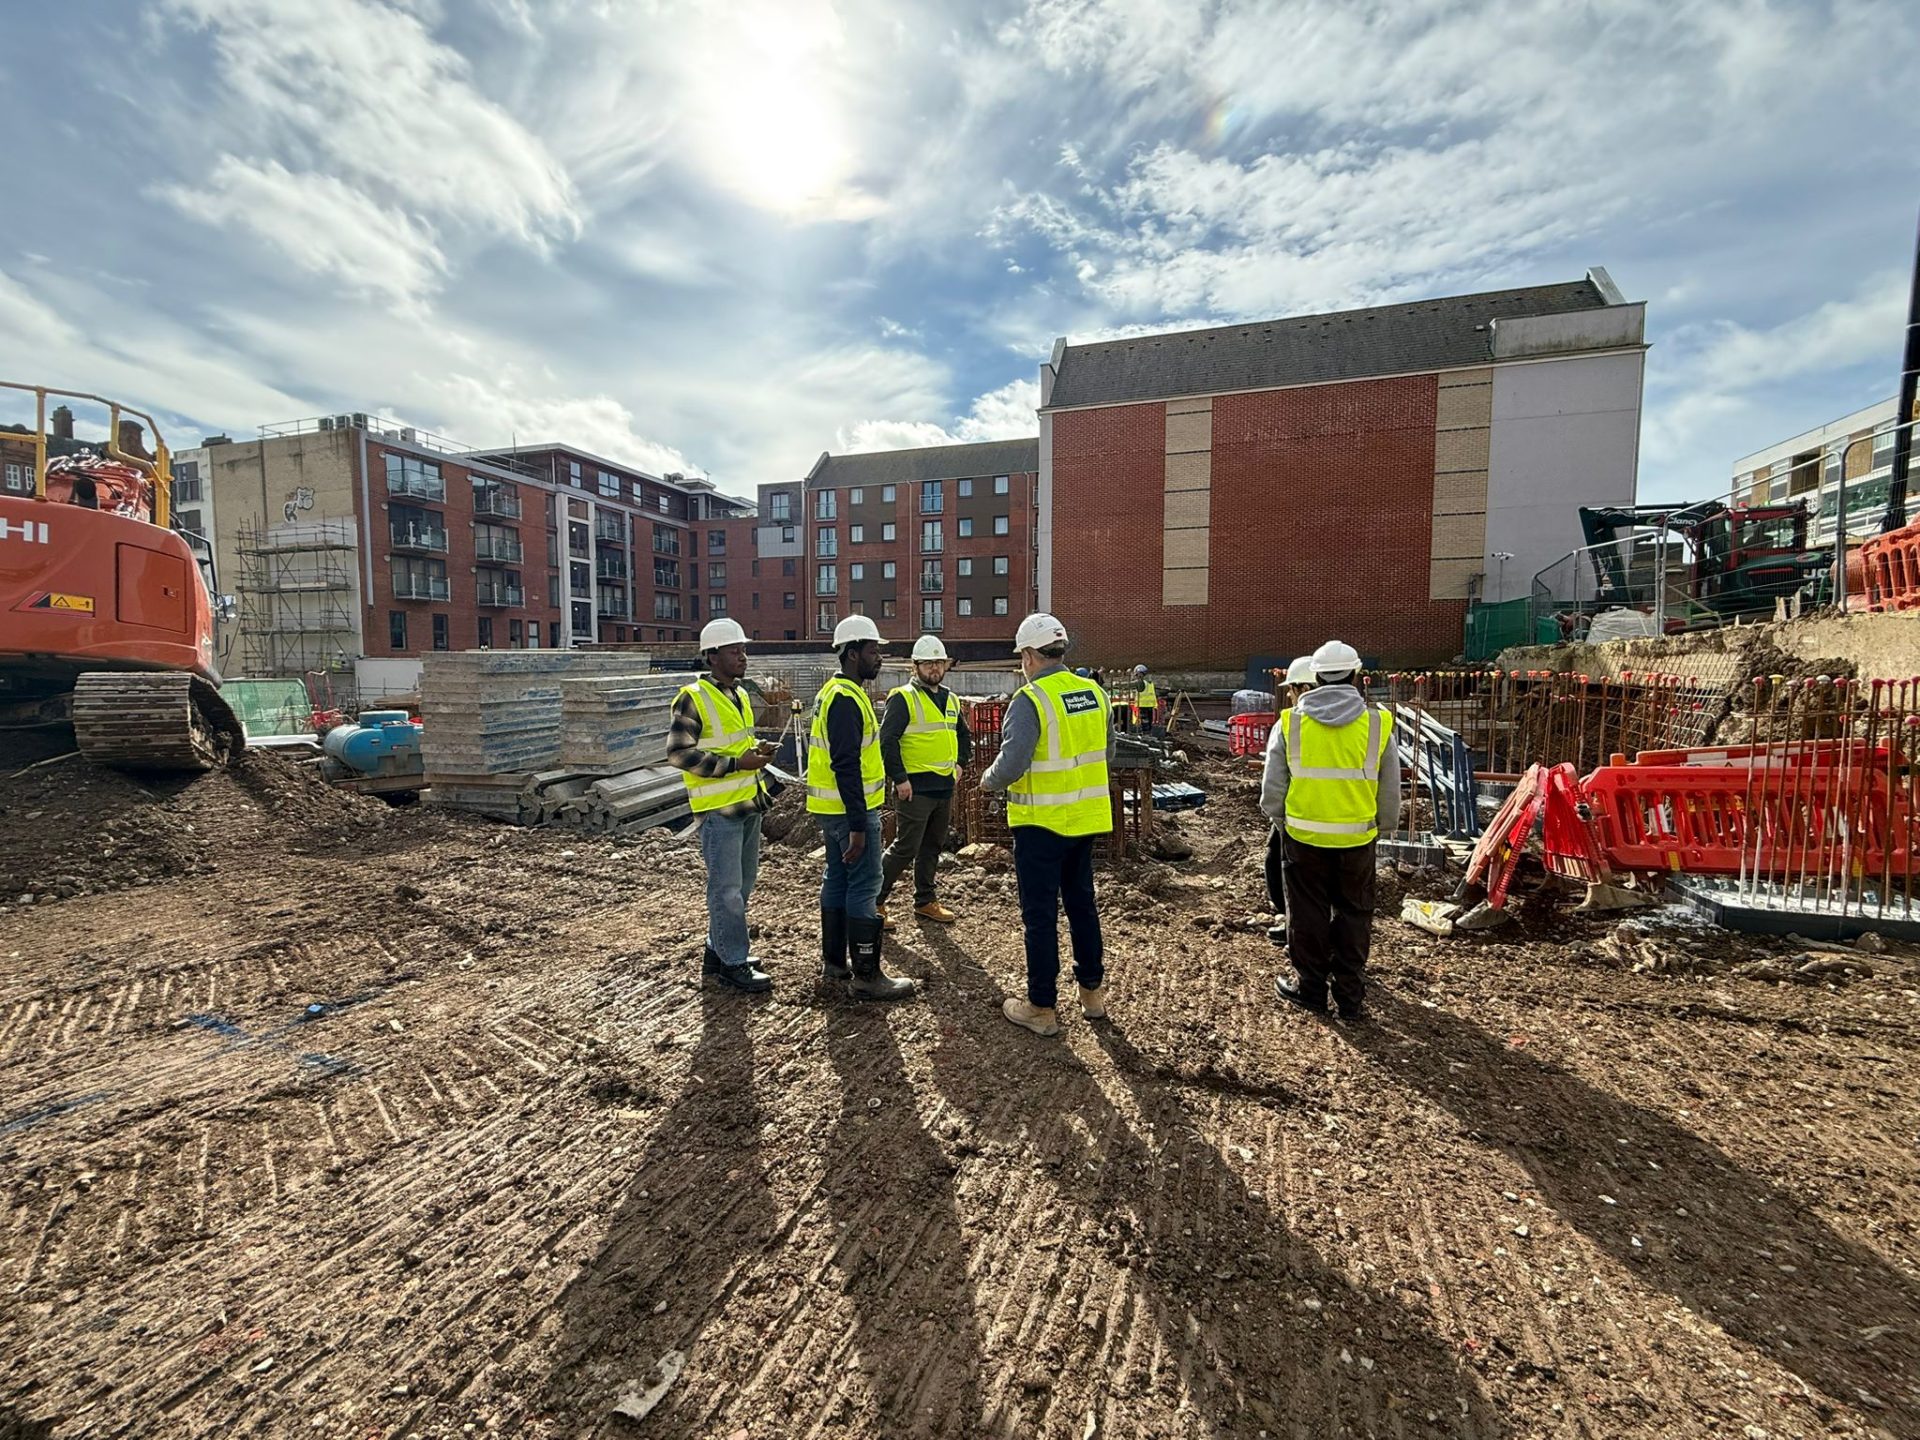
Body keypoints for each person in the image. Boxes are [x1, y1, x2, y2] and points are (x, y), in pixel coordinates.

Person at [981, 613, 1113, 1036]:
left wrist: (987, 781)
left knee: (1039, 916)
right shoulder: (1093, 693)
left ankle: (1041, 1006)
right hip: (1084, 818)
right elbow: (1106, 751)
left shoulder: (1031, 699)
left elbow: (1013, 762)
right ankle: (1091, 995)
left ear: (1028, 655)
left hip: (1041, 823)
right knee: (1081, 905)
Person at [1260, 639, 1399, 1022]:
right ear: (1357, 677)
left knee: (1307, 913)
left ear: (1316, 677)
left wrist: (1283, 824)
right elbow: (1390, 789)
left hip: (1303, 839)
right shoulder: (1377, 723)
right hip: (1357, 839)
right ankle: (1350, 998)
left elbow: (1272, 790)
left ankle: (1311, 989)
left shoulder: (1290, 723)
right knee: (1355, 913)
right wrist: (1382, 827)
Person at [807, 615, 915, 1001]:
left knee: (837, 879)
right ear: (852, 654)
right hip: (850, 812)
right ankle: (868, 976)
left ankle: (835, 963)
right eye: (873, 651)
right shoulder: (845, 699)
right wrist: (857, 823)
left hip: (832, 808)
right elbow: (846, 764)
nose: (879, 658)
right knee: (865, 885)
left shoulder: (834, 693)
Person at [669, 618, 776, 993]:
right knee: (726, 890)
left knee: (743, 885)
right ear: (712, 656)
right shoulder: (693, 697)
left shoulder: (741, 694)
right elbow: (679, 754)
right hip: (718, 812)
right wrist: (736, 764)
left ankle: (718, 951)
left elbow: (732, 744)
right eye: (734, 651)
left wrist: (755, 754)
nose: (742, 656)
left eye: (743, 649)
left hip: (746, 805)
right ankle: (732, 963)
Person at [877, 634, 973, 928]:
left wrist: (960, 764)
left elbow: (963, 735)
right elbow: (888, 741)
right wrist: (900, 778)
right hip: (914, 789)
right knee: (905, 847)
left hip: (943, 787)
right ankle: (873, 901)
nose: (934, 667)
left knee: (932, 846)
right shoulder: (903, 697)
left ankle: (925, 902)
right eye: (928, 663)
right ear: (915, 666)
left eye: (939, 662)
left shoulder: (951, 699)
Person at [1263, 655, 1318, 945]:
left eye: (1292, 688)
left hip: (1300, 818)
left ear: (1305, 688)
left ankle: (1293, 924)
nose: (1288, 693)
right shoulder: (1368, 722)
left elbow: (1273, 783)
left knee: (1284, 867)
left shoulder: (1291, 725)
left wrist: (1278, 819)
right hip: (1353, 823)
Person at [1133, 663, 1158, 735]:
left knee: (1145, 720)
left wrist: (1117, 684)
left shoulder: (1141, 682)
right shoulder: (1150, 682)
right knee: (1149, 720)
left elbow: (1130, 684)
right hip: (1150, 705)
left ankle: (1146, 734)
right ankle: (1149, 732)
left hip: (1143, 704)